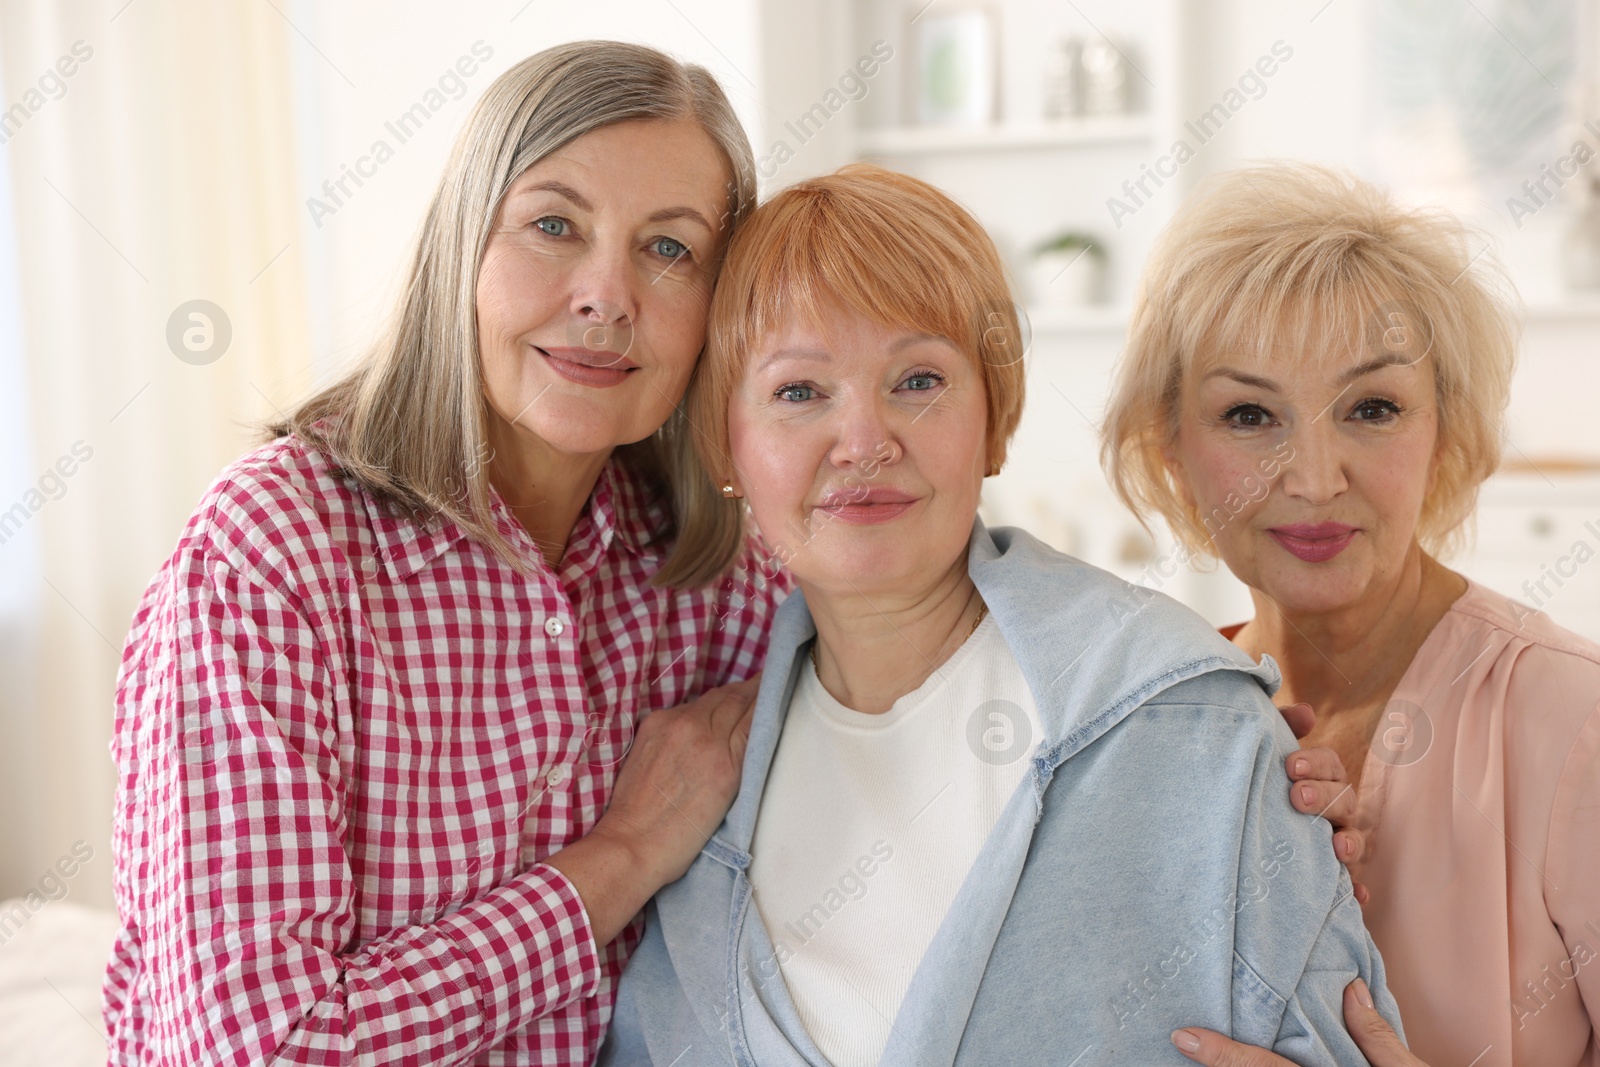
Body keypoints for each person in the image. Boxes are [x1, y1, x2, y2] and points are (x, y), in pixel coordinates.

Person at [601, 164, 1403, 1066]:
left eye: (919, 381)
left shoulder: (1187, 721)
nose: (865, 441)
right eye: (800, 392)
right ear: (726, 445)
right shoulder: (694, 775)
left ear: (993, 419)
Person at [103, 42, 791, 1065]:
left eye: (669, 249)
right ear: (463, 249)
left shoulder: (725, 571)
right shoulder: (272, 554)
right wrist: (626, 853)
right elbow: (263, 1047)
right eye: (554, 225)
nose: (606, 293)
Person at [1102, 163, 1600, 1067]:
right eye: (1250, 413)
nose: (1314, 476)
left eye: (1372, 408)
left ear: (1445, 431)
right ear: (1171, 448)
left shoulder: (1575, 720)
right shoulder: (1157, 721)